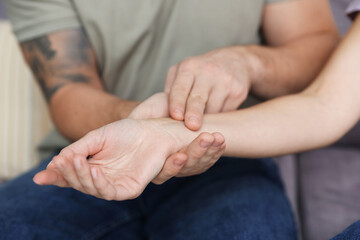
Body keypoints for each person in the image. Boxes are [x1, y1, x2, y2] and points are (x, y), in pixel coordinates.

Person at [1, 0, 338, 239]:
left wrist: (247, 62)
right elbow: (68, 89)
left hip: (228, 159)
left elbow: (318, 52)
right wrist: (139, 128)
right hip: (89, 159)